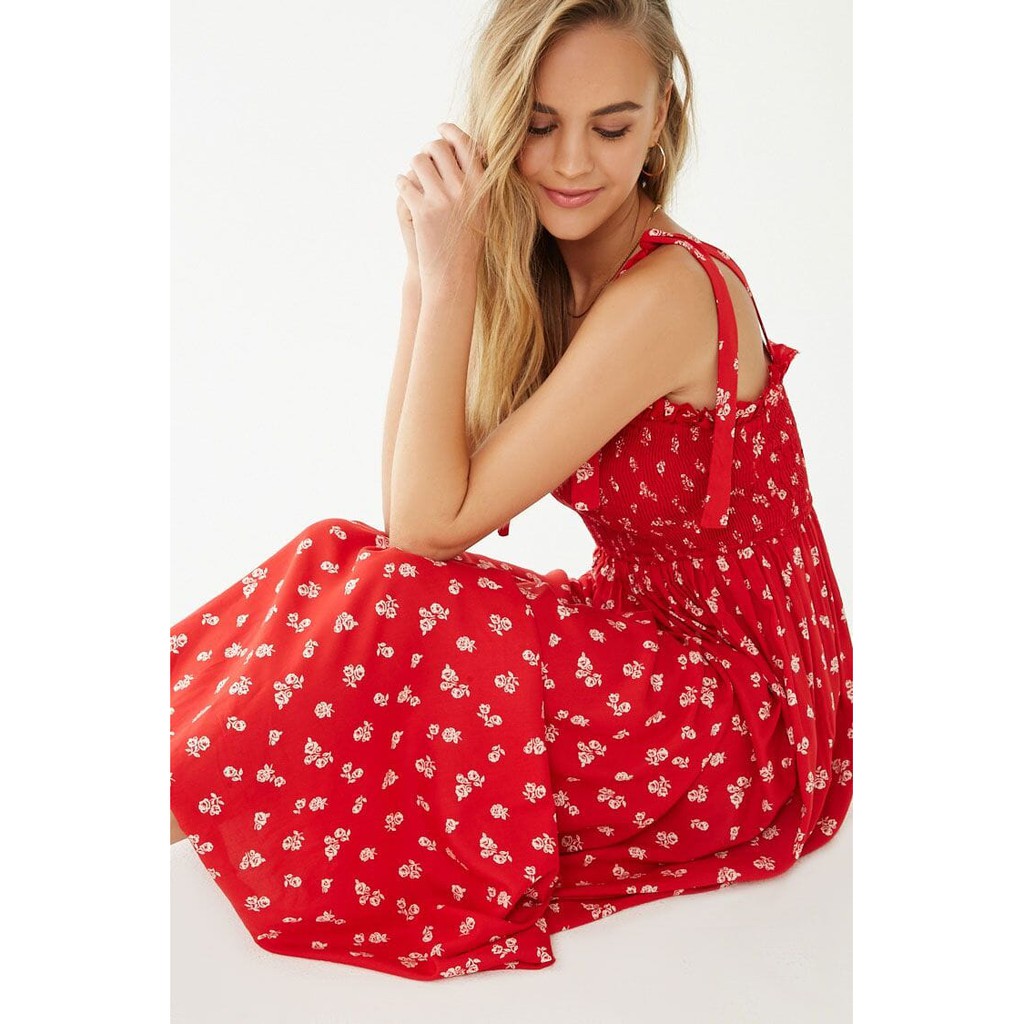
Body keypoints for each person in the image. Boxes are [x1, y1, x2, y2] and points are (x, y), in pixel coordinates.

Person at [170, 0, 852, 982]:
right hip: (639, 638)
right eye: (539, 124)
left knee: (391, 597)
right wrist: (426, 275)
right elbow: (407, 512)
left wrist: (447, 280)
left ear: (659, 119)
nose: (572, 161)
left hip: (742, 720)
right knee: (335, 551)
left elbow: (424, 530)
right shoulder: (552, 269)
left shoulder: (667, 296)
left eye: (611, 126)